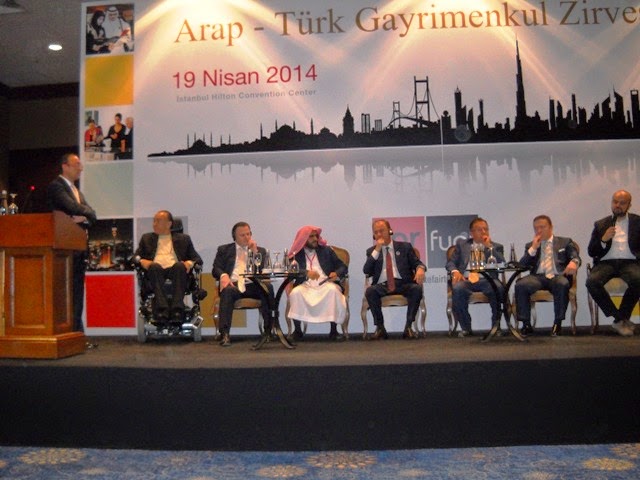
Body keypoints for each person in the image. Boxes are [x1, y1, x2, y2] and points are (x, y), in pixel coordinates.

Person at [46, 153, 97, 333]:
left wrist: (86, 216)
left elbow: (92, 215)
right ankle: (69, 331)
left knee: (77, 292)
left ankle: (77, 332)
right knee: (66, 292)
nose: (80, 168)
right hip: (64, 250)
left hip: (77, 248)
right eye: (76, 164)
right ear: (65, 166)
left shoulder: (76, 190)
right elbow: (72, 207)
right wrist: (87, 213)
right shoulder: (56, 186)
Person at [514, 215, 580, 336]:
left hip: (557, 275)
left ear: (551, 227)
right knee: (521, 285)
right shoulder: (530, 245)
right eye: (536, 228)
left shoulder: (565, 242)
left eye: (542, 227)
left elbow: (575, 257)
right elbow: (522, 266)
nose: (539, 230)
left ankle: (557, 323)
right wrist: (533, 248)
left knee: (562, 283)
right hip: (537, 277)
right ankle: (526, 324)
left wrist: (574, 262)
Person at [586, 190, 640, 337]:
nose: (618, 205)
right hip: (606, 263)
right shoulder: (601, 224)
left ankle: (620, 318)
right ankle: (620, 319)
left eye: (622, 203)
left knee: (639, 280)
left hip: (630, 262)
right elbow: (591, 251)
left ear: (629, 205)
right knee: (592, 282)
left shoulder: (637, 222)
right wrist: (603, 240)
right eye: (615, 202)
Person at [212, 222, 274, 347]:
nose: (246, 237)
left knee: (268, 287)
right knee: (227, 291)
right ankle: (225, 334)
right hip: (233, 285)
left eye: (248, 234)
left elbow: (264, 271)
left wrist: (255, 253)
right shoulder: (224, 250)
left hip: (252, 285)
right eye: (242, 235)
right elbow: (216, 269)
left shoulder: (260, 251)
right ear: (234, 237)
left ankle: (268, 331)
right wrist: (223, 275)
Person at [135, 210, 202, 323]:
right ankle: (162, 309)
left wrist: (189, 263)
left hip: (175, 270)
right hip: (155, 271)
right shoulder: (146, 238)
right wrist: (141, 261)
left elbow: (197, 259)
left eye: (158, 221)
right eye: (154, 221)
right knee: (154, 266)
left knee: (180, 266)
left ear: (169, 224)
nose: (154, 224)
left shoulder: (184, 239)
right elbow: (134, 258)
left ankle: (177, 309)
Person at [363, 219, 426, 339]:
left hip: (403, 283)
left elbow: (417, 263)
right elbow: (366, 270)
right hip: (383, 285)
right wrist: (377, 250)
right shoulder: (371, 251)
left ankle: (408, 327)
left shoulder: (405, 247)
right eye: (376, 232)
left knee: (416, 289)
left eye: (382, 231)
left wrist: (420, 269)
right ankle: (380, 328)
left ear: (390, 231)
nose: (379, 234)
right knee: (370, 291)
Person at [446, 217, 505, 337]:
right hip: (466, 280)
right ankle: (466, 328)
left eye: (485, 229)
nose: (483, 232)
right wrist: (455, 272)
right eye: (479, 229)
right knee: (457, 289)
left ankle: (496, 327)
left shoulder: (496, 246)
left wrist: (489, 247)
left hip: (488, 280)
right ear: (471, 233)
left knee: (498, 288)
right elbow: (451, 263)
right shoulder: (462, 245)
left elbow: (502, 264)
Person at [287, 226, 348, 341]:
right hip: (306, 284)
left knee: (333, 291)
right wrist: (306, 273)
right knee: (295, 292)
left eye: (316, 236)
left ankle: (334, 331)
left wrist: (336, 273)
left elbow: (343, 267)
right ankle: (297, 331)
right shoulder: (297, 254)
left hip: (325, 283)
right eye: (311, 236)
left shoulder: (327, 251)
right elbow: (290, 270)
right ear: (304, 239)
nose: (315, 239)